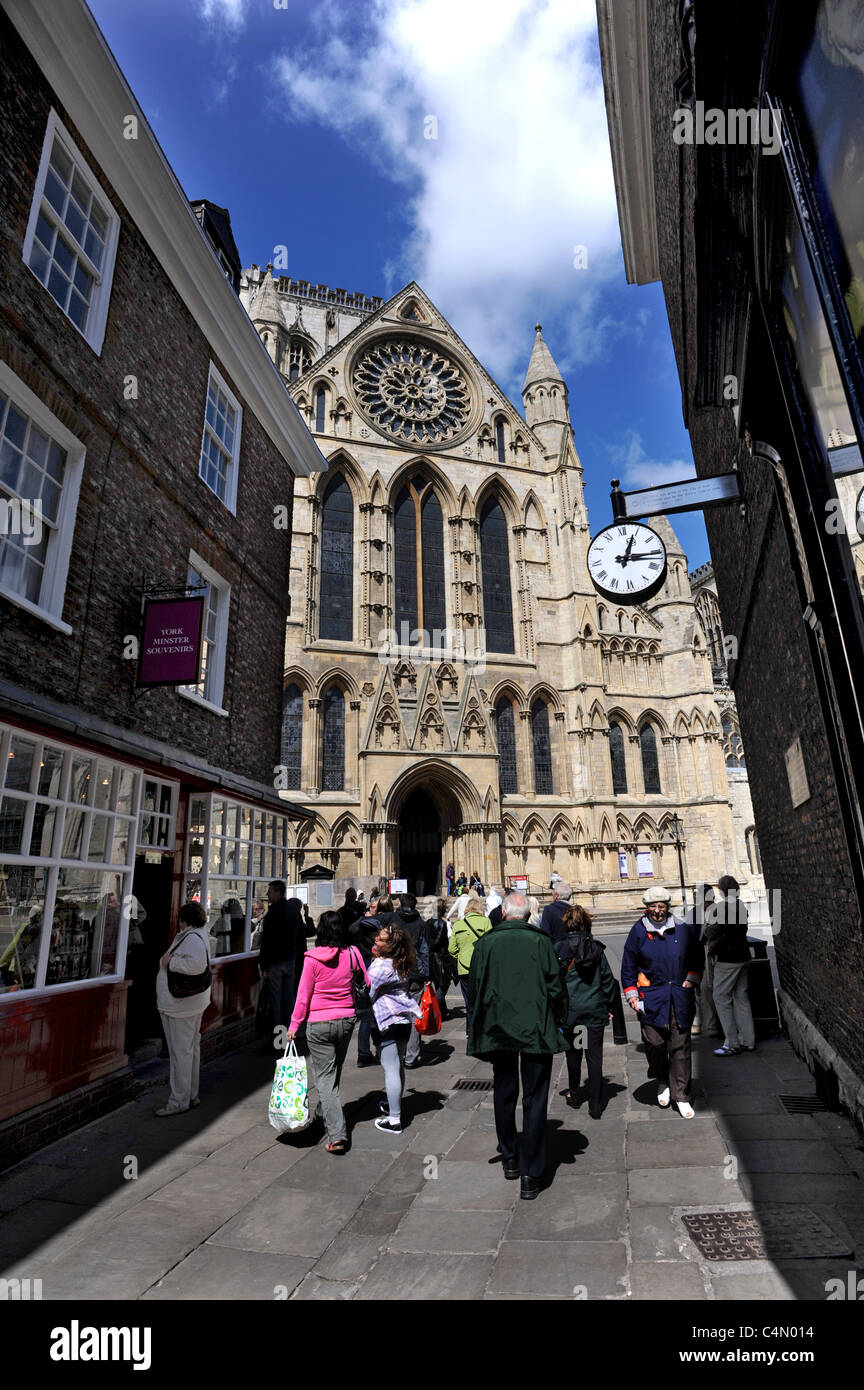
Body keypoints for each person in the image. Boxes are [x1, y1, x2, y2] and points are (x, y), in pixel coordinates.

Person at [467, 892, 567, 1199]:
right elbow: (556, 988)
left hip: (498, 1029)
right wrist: (560, 1019)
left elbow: (475, 990)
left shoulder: (484, 944)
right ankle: (529, 1173)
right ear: (527, 916)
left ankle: (509, 1155)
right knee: (535, 1097)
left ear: (503, 913)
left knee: (504, 1089)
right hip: (536, 1029)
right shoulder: (541, 942)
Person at [286, 910, 368, 1154]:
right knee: (333, 1074)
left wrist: (293, 1026)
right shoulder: (352, 953)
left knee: (325, 1079)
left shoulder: (312, 959)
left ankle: (338, 1134)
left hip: (319, 1024)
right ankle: (324, 1114)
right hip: (346, 1021)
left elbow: (303, 997)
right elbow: (367, 982)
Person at [621, 887, 704, 1119]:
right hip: (651, 996)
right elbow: (628, 965)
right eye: (653, 907)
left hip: (679, 994)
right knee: (654, 1042)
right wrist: (632, 994)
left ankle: (681, 1096)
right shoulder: (638, 932)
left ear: (667, 907)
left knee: (681, 1045)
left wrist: (691, 979)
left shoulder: (682, 929)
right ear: (646, 908)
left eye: (661, 906)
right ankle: (662, 1078)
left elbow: (697, 957)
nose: (657, 911)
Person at [555, 904, 619, 1119]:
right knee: (594, 1057)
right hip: (593, 1011)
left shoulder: (560, 949)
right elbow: (609, 981)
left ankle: (574, 1093)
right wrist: (609, 1006)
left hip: (571, 1013)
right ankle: (595, 1103)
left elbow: (554, 983)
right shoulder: (596, 949)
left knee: (573, 1055)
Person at [155, 901, 211, 1116]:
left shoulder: (192, 938)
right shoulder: (197, 935)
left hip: (181, 1007)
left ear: (184, 919)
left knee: (180, 1053)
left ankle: (178, 1101)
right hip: (189, 1004)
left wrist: (170, 963)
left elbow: (197, 966)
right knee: (189, 1050)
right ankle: (190, 1095)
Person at [368, 922, 422, 1134]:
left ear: (389, 945)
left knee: (390, 1068)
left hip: (387, 1020)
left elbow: (368, 992)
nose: (375, 941)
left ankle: (394, 1120)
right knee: (397, 1065)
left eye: (380, 940)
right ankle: (394, 1104)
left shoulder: (381, 967)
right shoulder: (401, 961)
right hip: (403, 1019)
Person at [707, 875, 755, 1056]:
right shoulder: (741, 905)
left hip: (727, 958)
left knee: (721, 997)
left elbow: (712, 931)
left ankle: (731, 1043)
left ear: (721, 889)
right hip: (743, 955)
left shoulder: (721, 907)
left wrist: (707, 928)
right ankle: (748, 1040)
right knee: (741, 998)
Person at [381, 892, 430, 1069]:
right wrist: (427, 975)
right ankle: (411, 1057)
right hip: (415, 974)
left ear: (400, 903)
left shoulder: (392, 920)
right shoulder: (421, 924)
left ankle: (395, 1053)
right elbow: (425, 951)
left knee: (395, 1014)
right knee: (415, 1015)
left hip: (395, 973)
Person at [258, 882, 305, 1035]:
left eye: (270, 891)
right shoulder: (293, 910)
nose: (267, 894)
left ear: (278, 893)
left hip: (276, 962)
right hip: (290, 959)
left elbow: (266, 941)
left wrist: (264, 966)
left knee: (275, 1000)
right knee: (289, 998)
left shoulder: (272, 913)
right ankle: (290, 1032)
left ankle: (278, 1038)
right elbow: (300, 936)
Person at [348, 897, 384, 1066]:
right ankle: (367, 1052)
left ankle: (368, 1051)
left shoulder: (366, 925)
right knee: (369, 1014)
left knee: (368, 1014)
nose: (373, 909)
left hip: (365, 970)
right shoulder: (373, 926)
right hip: (370, 969)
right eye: (372, 906)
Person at [448, 896, 493, 1031]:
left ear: (467, 909)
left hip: (464, 968)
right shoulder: (486, 922)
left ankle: (470, 1028)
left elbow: (451, 949)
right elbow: (490, 944)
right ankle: (482, 1027)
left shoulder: (459, 924)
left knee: (468, 1000)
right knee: (482, 997)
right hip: (481, 967)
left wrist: (461, 956)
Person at [684, 884, 720, 1036]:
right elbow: (689, 937)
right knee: (700, 989)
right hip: (699, 955)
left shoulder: (719, 912)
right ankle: (702, 1023)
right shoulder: (693, 914)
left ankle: (714, 1024)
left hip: (715, 955)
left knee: (711, 989)